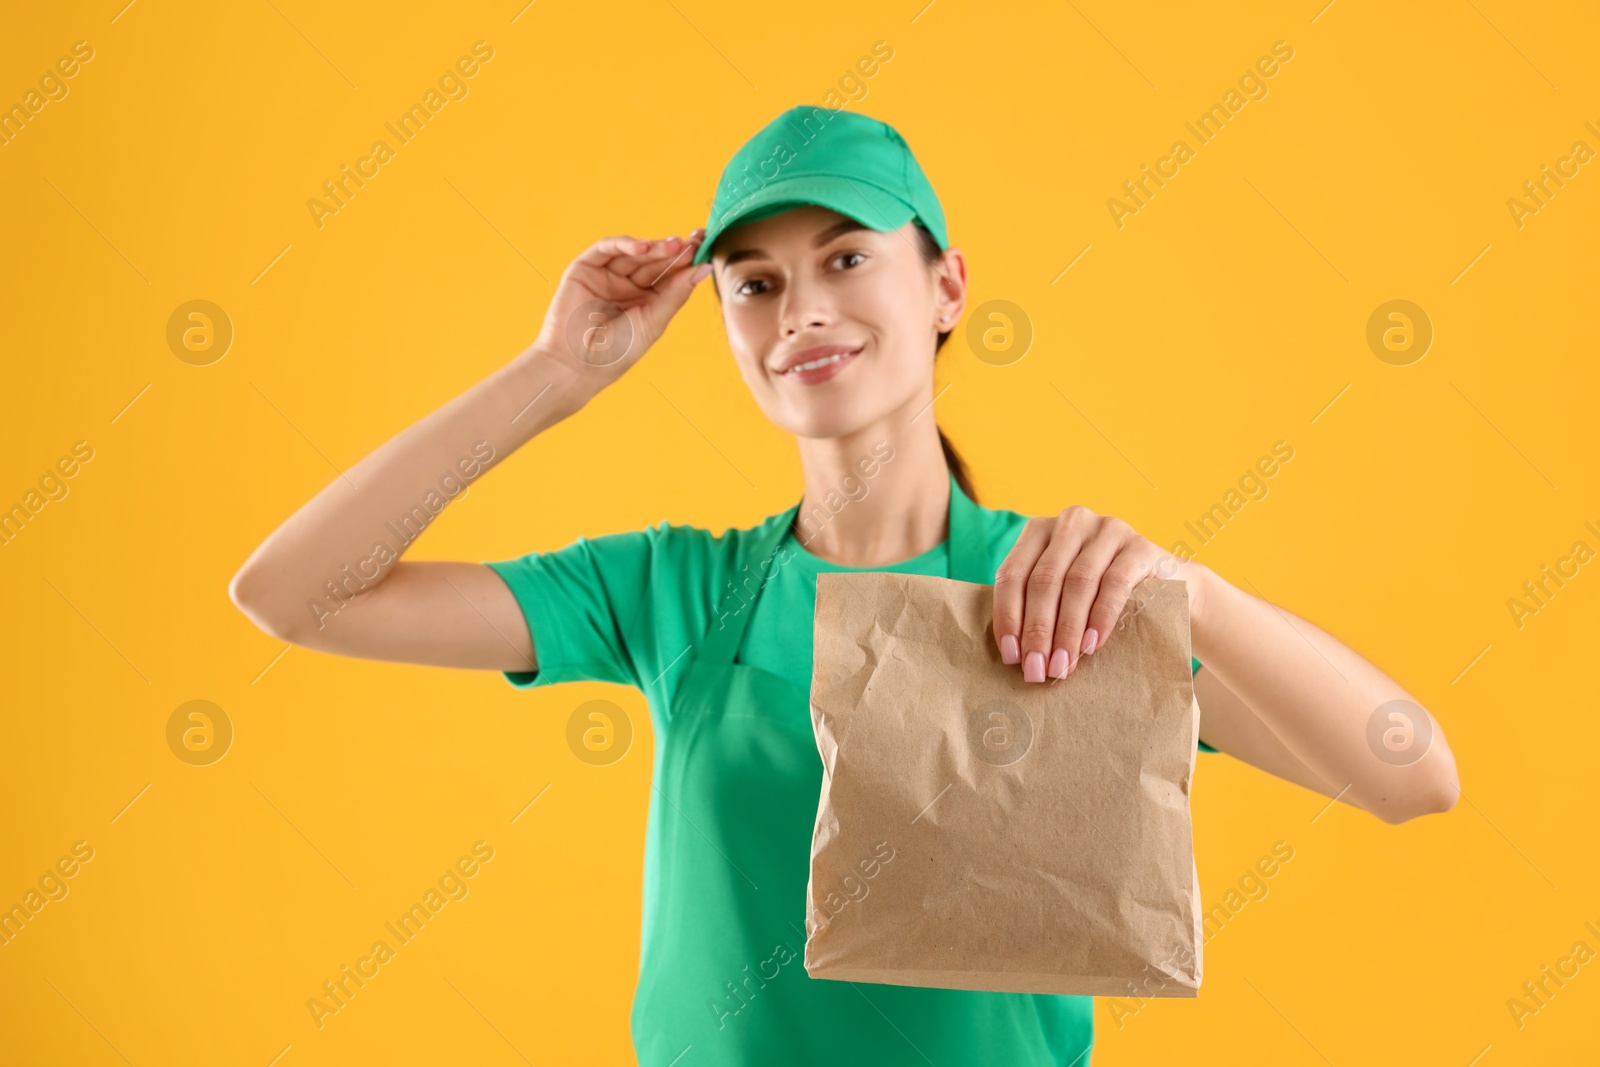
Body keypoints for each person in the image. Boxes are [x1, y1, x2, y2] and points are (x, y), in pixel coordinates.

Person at [230, 105, 1461, 1065]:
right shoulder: (672, 591)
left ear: (945, 289)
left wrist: (1186, 589)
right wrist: (556, 371)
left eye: (846, 257)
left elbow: (1411, 772)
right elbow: (296, 595)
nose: (800, 310)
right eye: (753, 282)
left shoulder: (1062, 590)